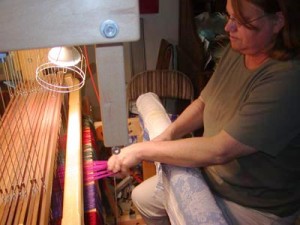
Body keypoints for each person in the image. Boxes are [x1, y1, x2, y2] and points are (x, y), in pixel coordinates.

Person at [107, 0, 300, 224]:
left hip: (253, 203)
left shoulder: (288, 79)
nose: (228, 28)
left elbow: (220, 150)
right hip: (213, 174)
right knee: (141, 198)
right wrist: (166, 137)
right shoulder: (238, 50)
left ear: (278, 21)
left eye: (242, 21)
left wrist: (142, 150)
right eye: (229, 17)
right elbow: (202, 103)